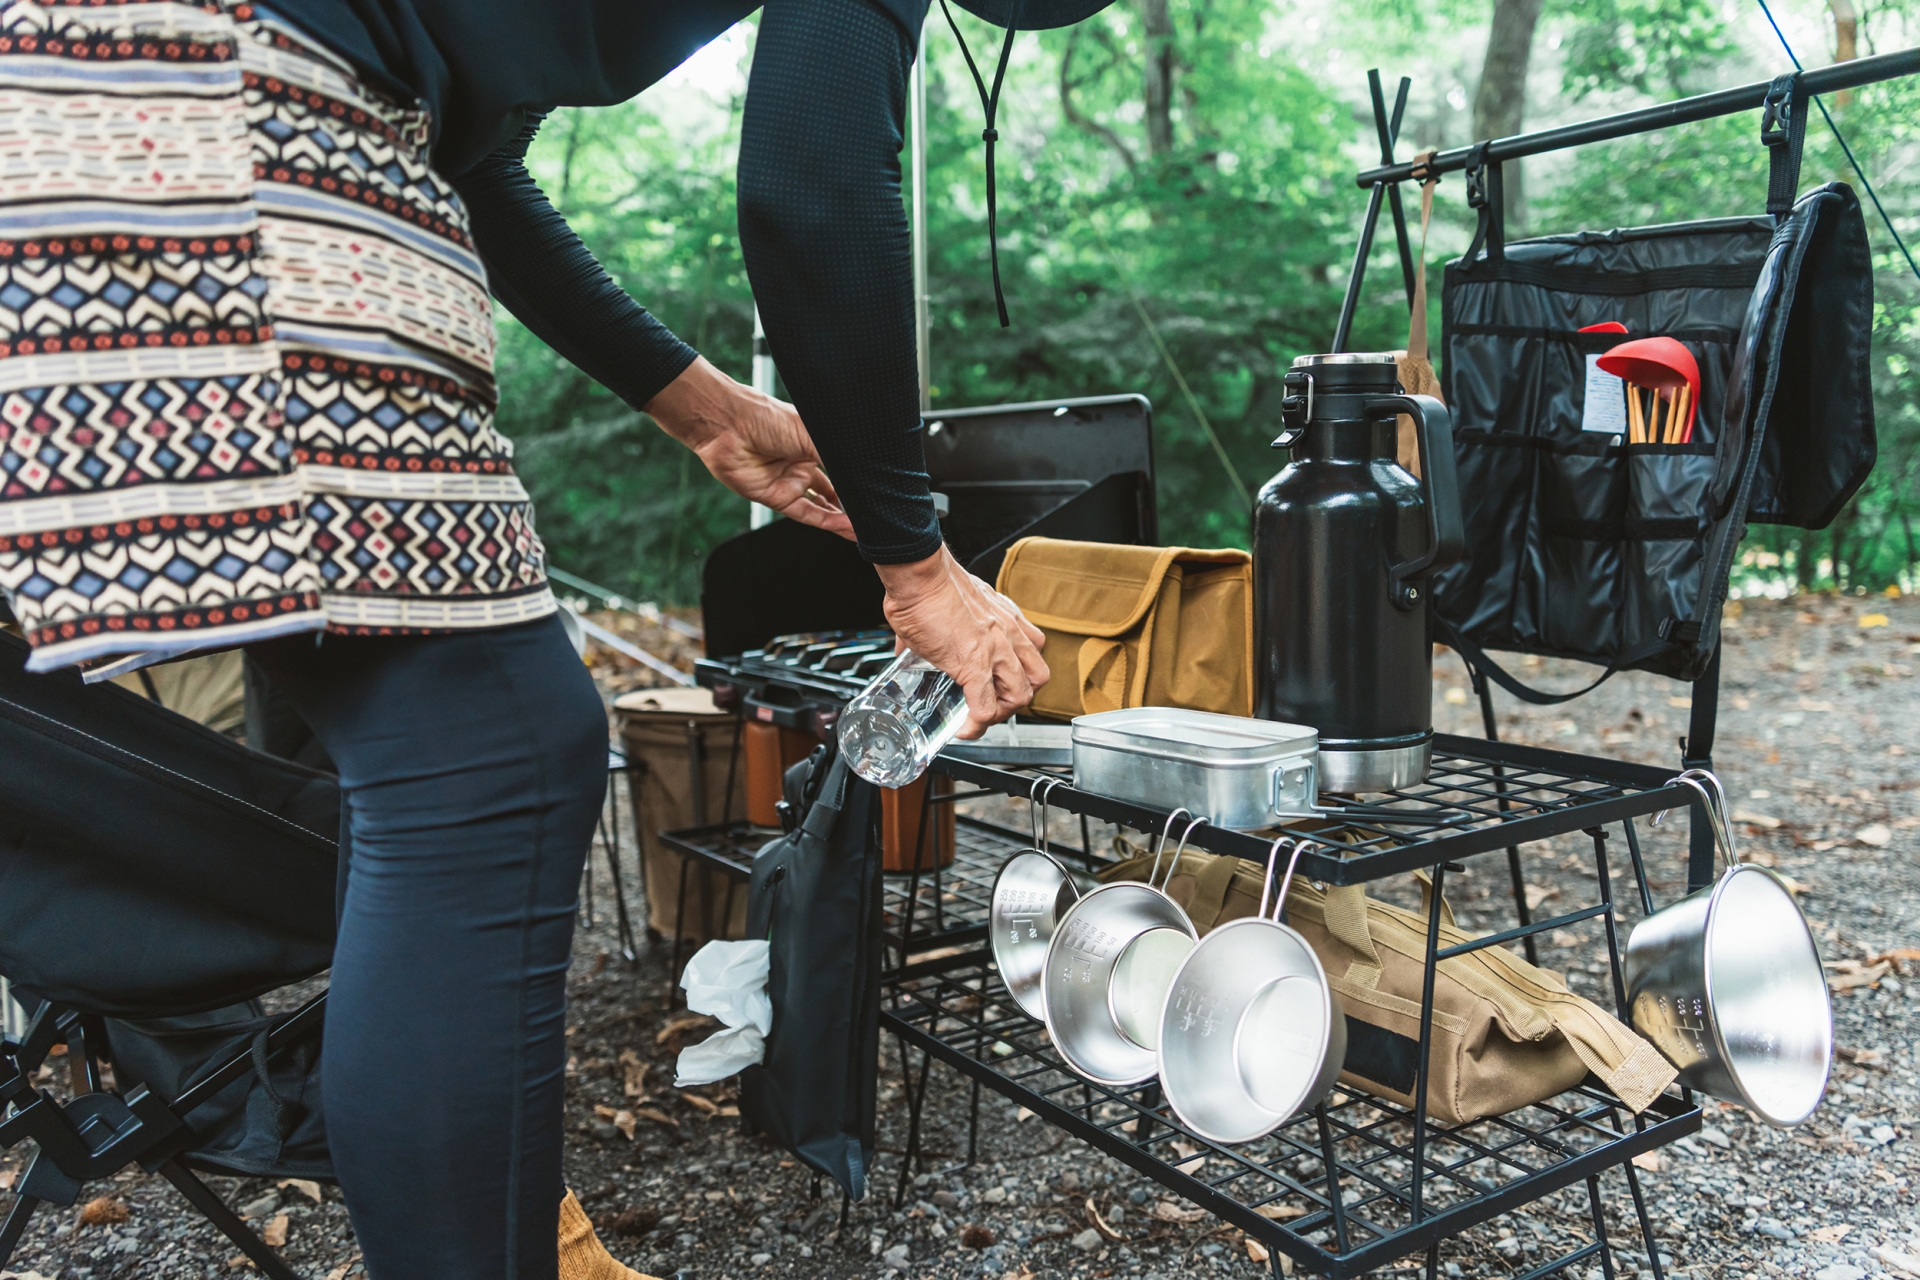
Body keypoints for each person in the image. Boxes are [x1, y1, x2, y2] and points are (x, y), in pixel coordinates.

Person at [0, 0, 1070, 1276]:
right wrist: (919, 566)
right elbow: (813, 185)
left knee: (454, 761)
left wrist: (708, 410)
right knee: (491, 763)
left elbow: (473, 164)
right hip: (184, 102)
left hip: (89, 97)